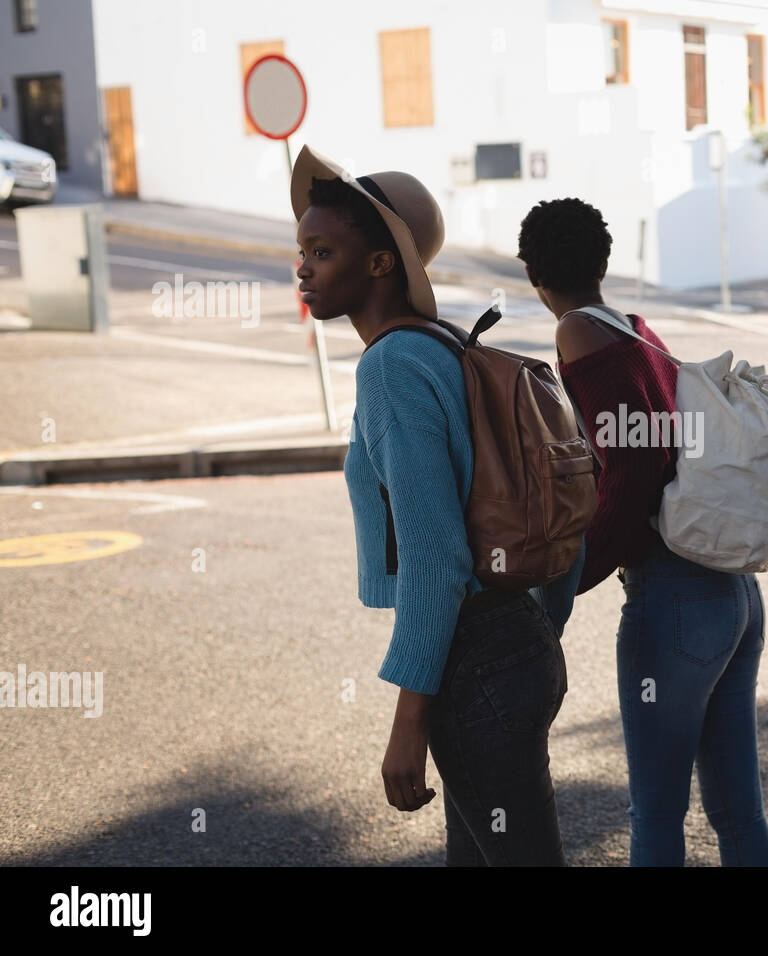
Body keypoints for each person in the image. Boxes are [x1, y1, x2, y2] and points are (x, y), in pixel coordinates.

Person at [291, 146, 566, 866]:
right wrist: (534, 627)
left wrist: (408, 722)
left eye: (323, 250)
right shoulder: (445, 346)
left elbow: (436, 556)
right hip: (510, 644)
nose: (304, 267)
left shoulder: (391, 366)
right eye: (302, 250)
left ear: (381, 263)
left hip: (474, 667)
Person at [517, 197, 768, 866]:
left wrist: (562, 591)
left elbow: (630, 472)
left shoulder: (577, 330)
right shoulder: (632, 326)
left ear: (531, 271)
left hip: (676, 603)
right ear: (603, 260)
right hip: (733, 597)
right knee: (737, 812)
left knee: (657, 815)